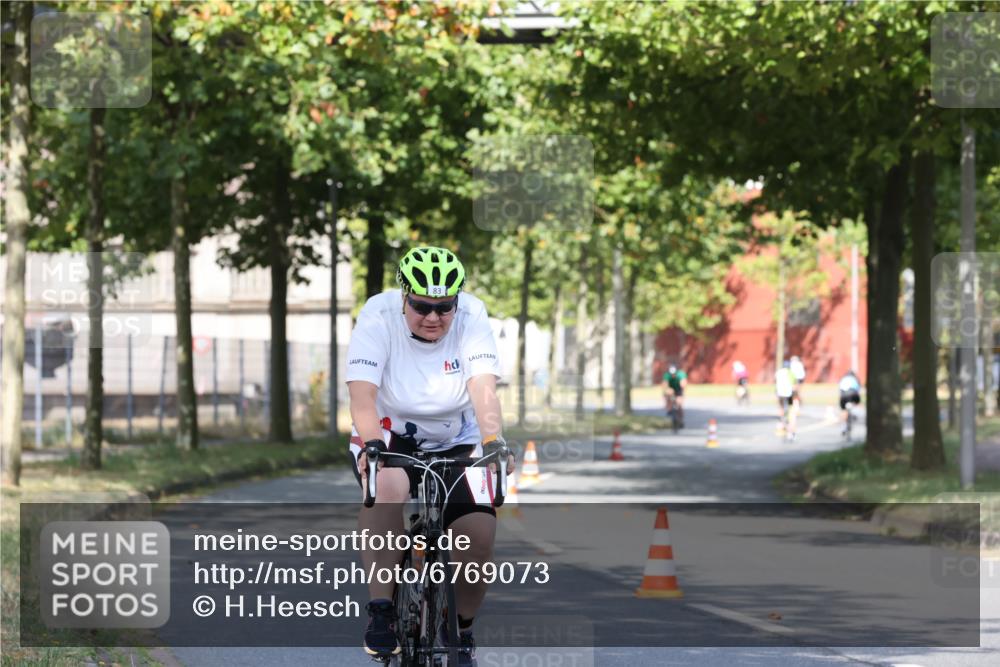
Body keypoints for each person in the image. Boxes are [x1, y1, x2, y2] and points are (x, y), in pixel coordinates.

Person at [346, 246, 514, 666]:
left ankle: (462, 627)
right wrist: (371, 445)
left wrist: (493, 439)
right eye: (422, 306)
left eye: (444, 307)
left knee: (478, 533)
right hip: (388, 431)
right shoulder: (378, 314)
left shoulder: (473, 316)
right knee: (386, 485)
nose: (434, 317)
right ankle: (382, 609)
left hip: (459, 435)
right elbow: (362, 394)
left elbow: (483, 387)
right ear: (404, 296)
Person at [775, 360, 797, 440]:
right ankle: (790, 430)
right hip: (788, 394)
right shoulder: (790, 373)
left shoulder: (778, 372)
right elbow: (794, 385)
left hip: (780, 393)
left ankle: (781, 420)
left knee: (781, 407)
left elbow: (776, 383)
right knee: (791, 410)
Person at [838, 370, 862, 434]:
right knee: (857, 402)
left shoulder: (843, 379)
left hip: (844, 395)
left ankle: (843, 427)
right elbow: (858, 390)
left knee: (843, 410)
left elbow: (840, 390)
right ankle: (853, 413)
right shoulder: (855, 379)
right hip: (853, 393)